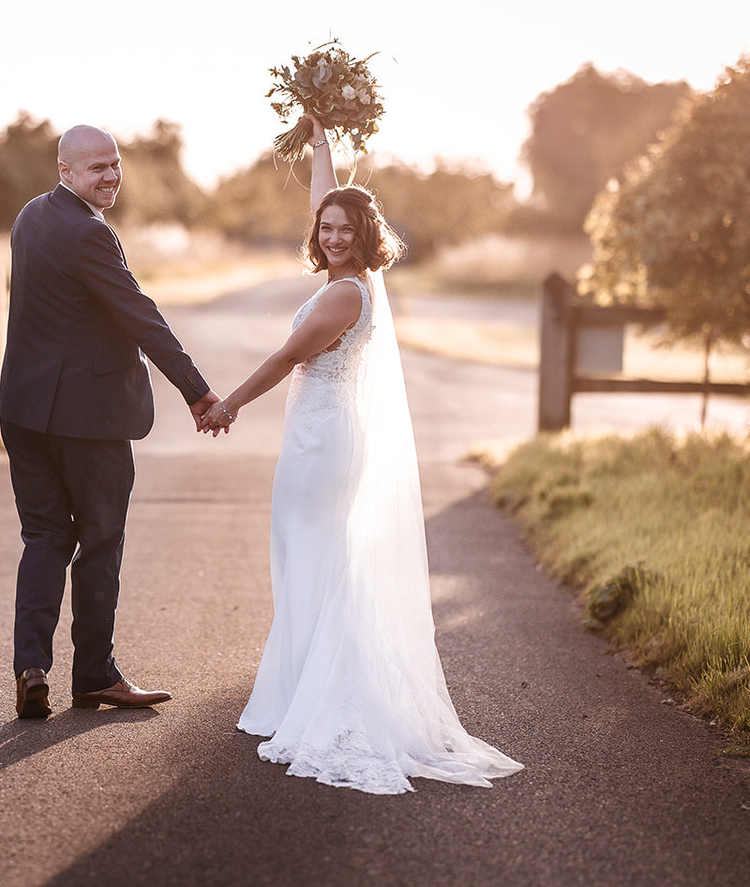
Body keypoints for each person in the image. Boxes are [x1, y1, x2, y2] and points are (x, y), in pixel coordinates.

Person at [201, 115, 523, 792]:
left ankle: (325, 699)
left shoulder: (347, 293)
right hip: (317, 434)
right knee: (308, 558)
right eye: (326, 226)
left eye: (346, 228)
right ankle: (299, 690)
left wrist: (227, 402)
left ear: (367, 236)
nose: (333, 234)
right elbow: (326, 199)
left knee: (314, 557)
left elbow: (291, 355)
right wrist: (320, 144)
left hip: (322, 444)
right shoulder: (349, 281)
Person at [0, 124, 222, 720]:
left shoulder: (30, 217)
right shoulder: (89, 234)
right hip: (85, 419)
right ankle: (95, 676)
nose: (110, 176)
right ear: (65, 170)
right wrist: (196, 391)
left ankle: (32, 667)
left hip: (23, 410)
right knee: (99, 540)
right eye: (96, 168)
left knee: (44, 536)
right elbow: (139, 316)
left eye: (115, 165)